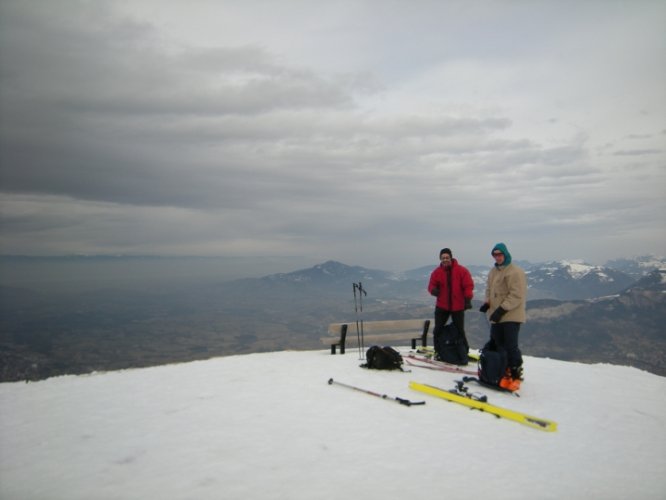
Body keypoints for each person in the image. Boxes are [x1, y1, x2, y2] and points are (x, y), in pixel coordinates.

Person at [479, 242, 527, 391]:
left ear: (505, 254)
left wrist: (502, 309)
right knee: (496, 342)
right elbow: (489, 289)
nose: (497, 257)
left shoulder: (514, 272)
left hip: (511, 315)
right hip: (496, 314)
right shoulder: (494, 271)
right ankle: (502, 369)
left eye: (500, 254)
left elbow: (517, 295)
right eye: (495, 255)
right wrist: (487, 303)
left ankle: (515, 371)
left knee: (511, 345)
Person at [427, 248, 474, 359]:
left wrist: (467, 299)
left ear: (451, 258)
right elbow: (431, 285)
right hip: (442, 306)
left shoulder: (461, 271)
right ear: (440, 259)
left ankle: (464, 351)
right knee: (438, 329)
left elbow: (468, 285)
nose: (445, 260)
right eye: (443, 258)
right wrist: (433, 290)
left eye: (447, 257)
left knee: (459, 330)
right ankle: (438, 350)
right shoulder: (437, 272)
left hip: (457, 306)